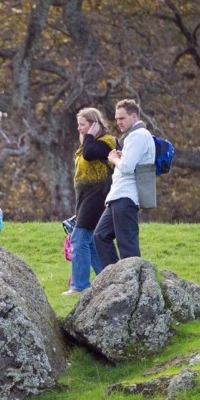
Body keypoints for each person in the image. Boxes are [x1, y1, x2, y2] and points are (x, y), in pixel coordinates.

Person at [94, 98, 154, 267]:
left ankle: (134, 283)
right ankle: (116, 280)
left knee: (127, 245)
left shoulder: (139, 135)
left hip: (127, 197)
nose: (118, 122)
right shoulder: (132, 136)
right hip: (117, 196)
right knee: (100, 235)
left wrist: (114, 159)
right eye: (117, 118)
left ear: (134, 117)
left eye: (122, 118)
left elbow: (127, 168)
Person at [65, 107, 117, 294]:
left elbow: (88, 153)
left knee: (78, 239)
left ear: (94, 124)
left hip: (97, 197)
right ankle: (109, 280)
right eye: (78, 124)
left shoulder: (104, 143)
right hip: (86, 199)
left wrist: (90, 135)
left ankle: (80, 286)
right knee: (92, 242)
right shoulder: (88, 145)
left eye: (83, 124)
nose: (79, 128)